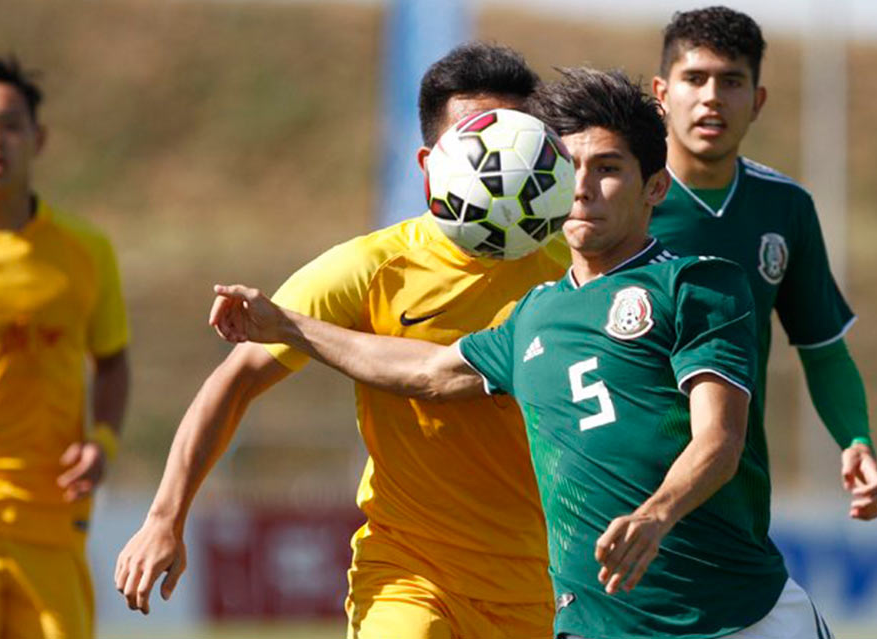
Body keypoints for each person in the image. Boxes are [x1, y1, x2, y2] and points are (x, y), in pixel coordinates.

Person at [207, 68, 833, 639]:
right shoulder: (536, 313)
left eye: (609, 168)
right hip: (597, 626)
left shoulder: (699, 284)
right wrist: (288, 324)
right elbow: (424, 371)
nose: (583, 188)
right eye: (571, 168)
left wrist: (655, 515)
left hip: (739, 618)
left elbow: (719, 441)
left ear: (655, 187)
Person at [114, 43, 569, 639]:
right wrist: (164, 518)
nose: (499, 168)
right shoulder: (370, 268)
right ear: (429, 163)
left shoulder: (577, 271)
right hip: (409, 572)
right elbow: (236, 379)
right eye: (473, 144)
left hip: (542, 584)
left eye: (514, 139)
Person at [650, 6, 877, 521]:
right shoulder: (613, 201)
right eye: (694, 78)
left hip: (735, 495)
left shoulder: (785, 208)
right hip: (621, 486)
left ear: (756, 102)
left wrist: (856, 438)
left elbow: (822, 350)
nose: (712, 96)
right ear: (662, 94)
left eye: (731, 81)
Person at [0, 57, 130, 639]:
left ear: (37, 139)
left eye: (10, 124)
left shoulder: (86, 250)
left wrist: (104, 441)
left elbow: (112, 360)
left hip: (52, 516)